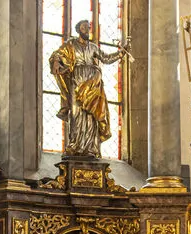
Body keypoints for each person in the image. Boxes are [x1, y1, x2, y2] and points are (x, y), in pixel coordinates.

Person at [49, 20, 131, 158]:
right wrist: (56, 61)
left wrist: (121, 52)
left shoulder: (93, 47)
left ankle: (91, 148)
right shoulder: (70, 44)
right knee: (76, 114)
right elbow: (57, 54)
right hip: (77, 81)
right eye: (84, 27)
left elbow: (106, 58)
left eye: (88, 28)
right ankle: (75, 145)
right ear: (78, 29)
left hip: (93, 84)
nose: (87, 30)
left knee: (92, 116)